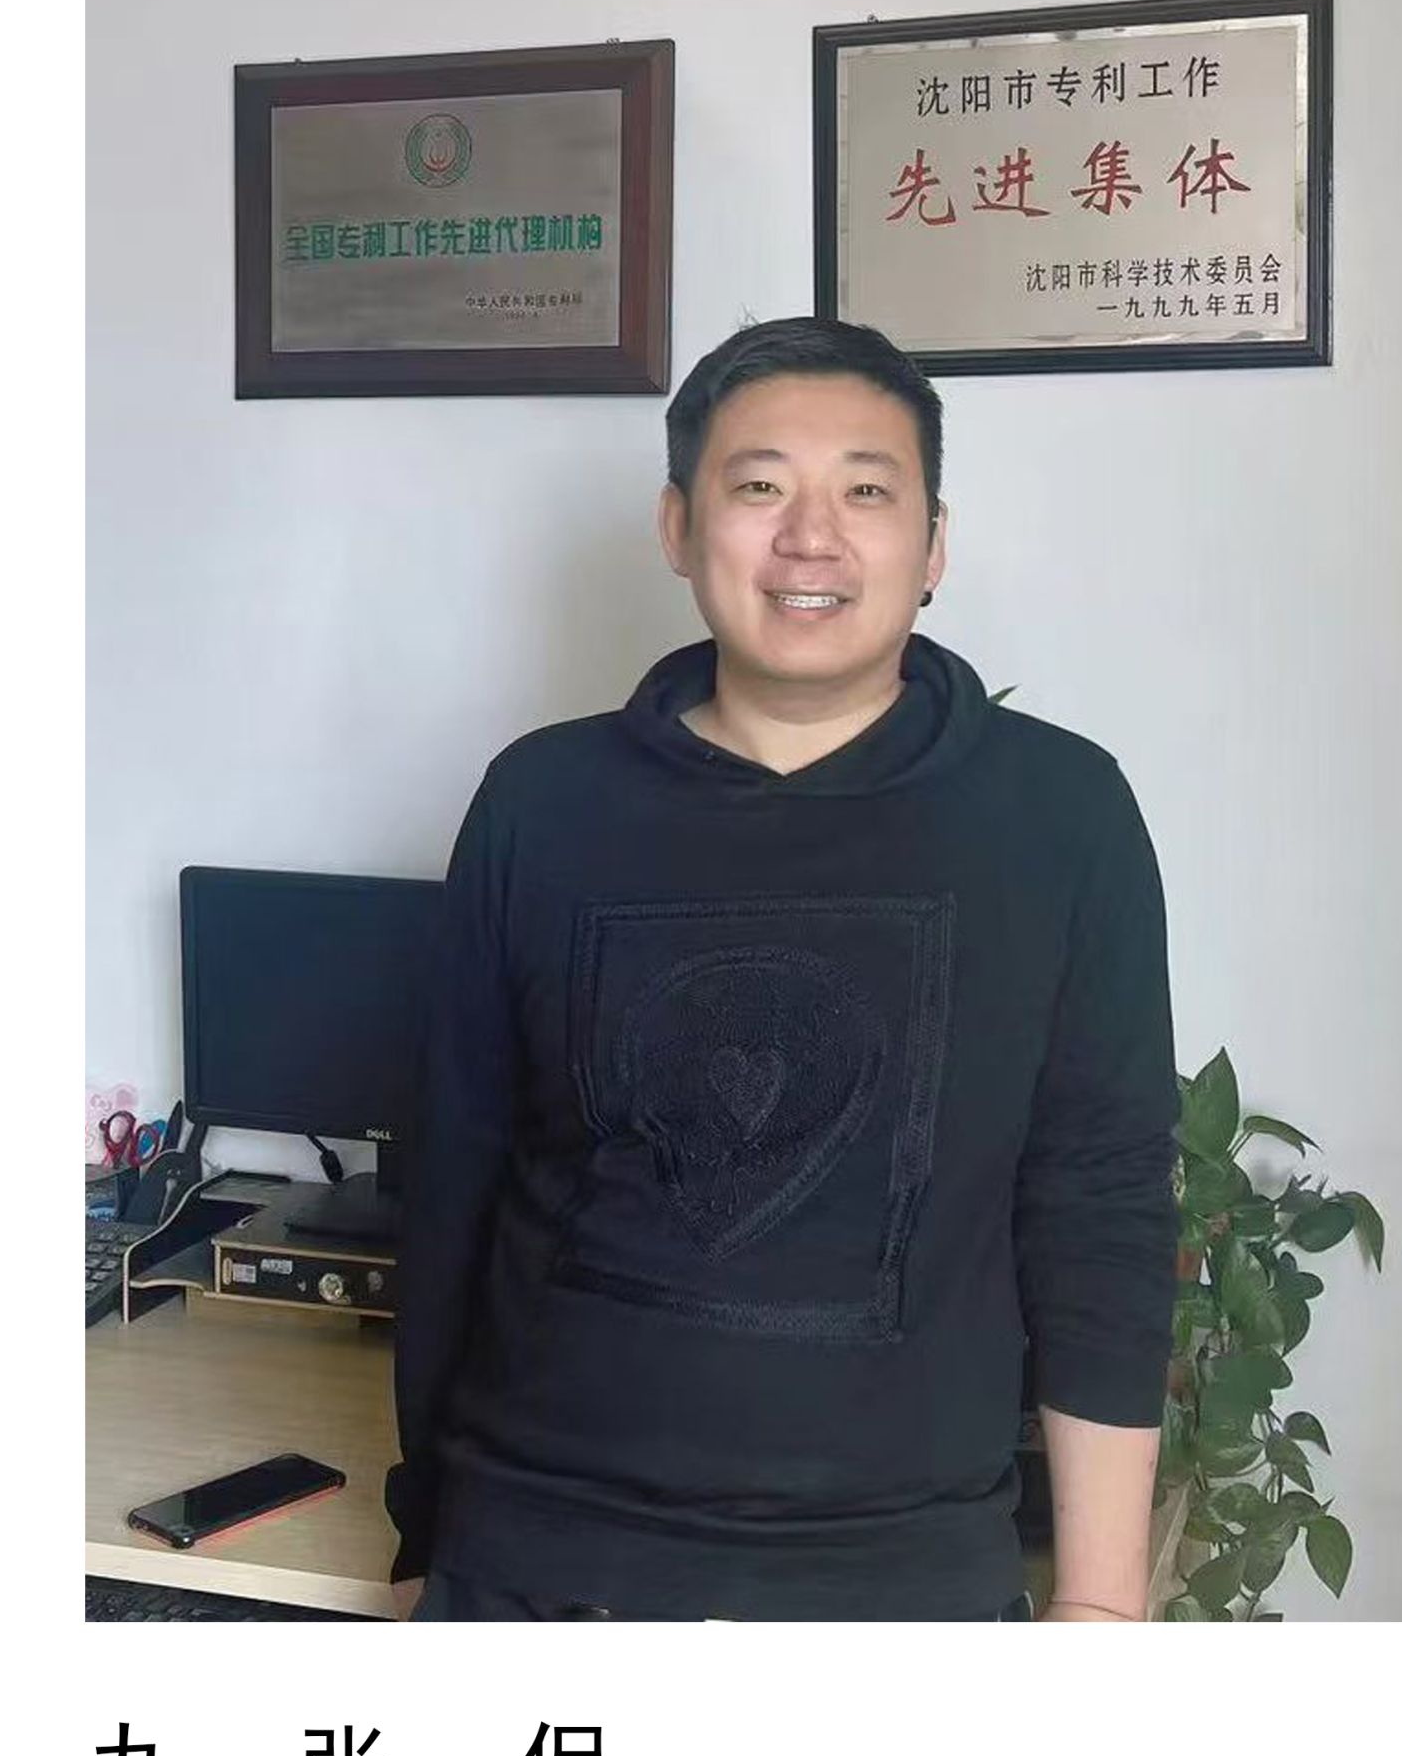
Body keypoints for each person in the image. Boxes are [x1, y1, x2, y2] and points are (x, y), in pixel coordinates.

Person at [385, 315, 1178, 1622]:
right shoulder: (543, 803)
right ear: (678, 527)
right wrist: (430, 1536)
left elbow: (1100, 1211)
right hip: (542, 1560)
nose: (812, 537)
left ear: (933, 546)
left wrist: (1100, 1604)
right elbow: (454, 1182)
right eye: (759, 487)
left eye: (866, 491)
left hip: (897, 1581)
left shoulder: (1059, 816)